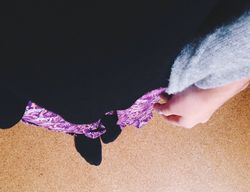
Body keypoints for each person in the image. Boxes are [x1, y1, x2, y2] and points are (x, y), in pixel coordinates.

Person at [0, 0, 249, 166]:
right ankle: (88, 129)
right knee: (56, 104)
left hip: (144, 63)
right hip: (60, 74)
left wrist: (221, 88)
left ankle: (98, 127)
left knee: (110, 101)